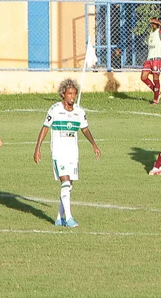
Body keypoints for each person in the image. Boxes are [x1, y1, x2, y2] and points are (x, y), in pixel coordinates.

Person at [32, 79, 101, 228]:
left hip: (72, 153)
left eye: (74, 94)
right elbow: (45, 128)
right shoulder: (55, 109)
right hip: (58, 151)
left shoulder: (79, 111)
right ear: (63, 94)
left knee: (68, 185)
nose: (72, 97)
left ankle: (59, 218)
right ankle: (69, 218)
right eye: (69, 93)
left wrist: (94, 145)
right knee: (65, 181)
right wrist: (37, 148)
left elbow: (85, 129)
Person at [141, 17, 161, 104]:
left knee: (155, 78)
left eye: (154, 23)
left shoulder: (160, 31)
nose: (152, 25)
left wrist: (159, 23)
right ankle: (158, 93)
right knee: (143, 77)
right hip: (149, 58)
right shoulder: (151, 33)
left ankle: (155, 100)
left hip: (157, 58)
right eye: (152, 23)